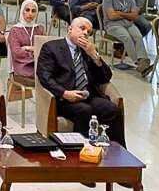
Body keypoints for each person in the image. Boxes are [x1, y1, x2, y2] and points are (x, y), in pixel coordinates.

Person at [36, 17, 124, 145]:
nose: (85, 33)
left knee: (112, 109)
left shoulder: (88, 50)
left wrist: (94, 55)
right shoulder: (51, 47)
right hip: (64, 98)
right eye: (82, 28)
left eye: (88, 32)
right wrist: (64, 93)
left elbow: (105, 78)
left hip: (89, 95)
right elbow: (44, 76)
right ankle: (82, 149)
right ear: (70, 29)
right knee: (84, 110)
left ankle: (117, 151)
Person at [102, 0, 151, 73]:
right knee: (127, 37)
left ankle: (144, 61)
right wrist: (127, 14)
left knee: (138, 36)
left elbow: (134, 16)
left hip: (129, 24)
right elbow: (111, 16)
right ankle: (138, 63)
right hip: (112, 25)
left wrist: (120, 13)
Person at [8, 0, 45, 81]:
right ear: (22, 11)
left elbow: (45, 50)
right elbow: (17, 53)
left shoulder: (40, 29)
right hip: (22, 65)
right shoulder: (15, 30)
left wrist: (27, 48)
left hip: (39, 64)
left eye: (33, 11)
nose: (30, 13)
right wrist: (35, 52)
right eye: (27, 10)